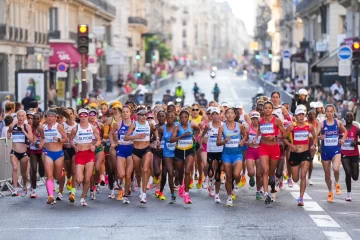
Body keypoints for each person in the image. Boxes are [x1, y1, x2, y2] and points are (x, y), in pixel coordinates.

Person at [124, 107, 160, 204]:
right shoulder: (134, 125)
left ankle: (144, 194)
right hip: (136, 150)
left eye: (145, 115)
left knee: (145, 170)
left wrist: (157, 138)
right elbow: (126, 137)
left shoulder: (149, 123)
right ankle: (140, 187)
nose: (144, 117)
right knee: (138, 172)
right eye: (142, 115)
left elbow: (155, 129)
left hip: (146, 149)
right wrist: (136, 136)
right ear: (137, 116)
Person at [283, 106, 317, 206]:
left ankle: (301, 198)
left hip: (305, 153)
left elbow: (315, 137)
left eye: (302, 114)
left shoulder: (309, 126)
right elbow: (284, 138)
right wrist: (290, 145)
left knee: (303, 175)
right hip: (294, 154)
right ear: (296, 116)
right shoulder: (291, 126)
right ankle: (291, 178)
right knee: (295, 179)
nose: (301, 116)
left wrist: (314, 145)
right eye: (299, 114)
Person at [254, 101, 286, 205]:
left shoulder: (276, 120)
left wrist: (275, 137)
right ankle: (266, 193)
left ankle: (272, 186)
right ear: (263, 109)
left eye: (269, 108)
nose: (267, 109)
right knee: (265, 170)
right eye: (265, 108)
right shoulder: (260, 120)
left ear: (272, 109)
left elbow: (284, 134)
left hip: (274, 148)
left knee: (272, 173)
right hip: (263, 148)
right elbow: (259, 131)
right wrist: (256, 138)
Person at [70, 108, 101, 206]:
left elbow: (99, 140)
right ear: (79, 117)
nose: (83, 117)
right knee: (79, 179)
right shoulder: (75, 128)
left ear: (87, 116)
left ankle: (83, 198)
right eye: (81, 115)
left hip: (89, 154)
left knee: (88, 178)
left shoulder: (92, 128)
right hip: (80, 154)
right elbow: (70, 140)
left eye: (85, 115)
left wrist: (95, 146)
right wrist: (74, 146)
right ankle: (78, 186)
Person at [217, 107, 247, 206]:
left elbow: (245, 135)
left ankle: (236, 182)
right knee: (229, 177)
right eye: (228, 113)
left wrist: (243, 141)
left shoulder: (240, 126)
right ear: (225, 115)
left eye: (232, 113)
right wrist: (224, 141)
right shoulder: (222, 127)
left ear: (235, 115)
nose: (230, 115)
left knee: (236, 174)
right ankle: (229, 196)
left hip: (237, 154)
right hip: (226, 155)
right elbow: (218, 142)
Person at [317, 104, 347, 202]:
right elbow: (315, 135)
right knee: (327, 175)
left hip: (336, 150)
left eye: (331, 111)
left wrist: (343, 139)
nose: (329, 113)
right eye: (328, 111)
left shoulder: (338, 123)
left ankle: (337, 182)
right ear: (325, 112)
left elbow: (345, 132)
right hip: (325, 151)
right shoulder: (321, 124)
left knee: (336, 168)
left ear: (334, 112)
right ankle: (330, 191)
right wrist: (320, 137)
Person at [170, 109, 200, 204]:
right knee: (180, 173)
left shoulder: (191, 125)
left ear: (188, 118)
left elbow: (198, 129)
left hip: (189, 151)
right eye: (182, 117)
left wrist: (194, 136)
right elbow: (172, 140)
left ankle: (187, 194)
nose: (184, 119)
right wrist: (182, 136)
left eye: (186, 117)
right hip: (179, 151)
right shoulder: (177, 128)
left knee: (187, 171)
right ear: (179, 118)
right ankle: (181, 184)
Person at [39, 108, 68, 204]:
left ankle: (62, 173)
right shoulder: (43, 127)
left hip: (58, 153)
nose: (50, 118)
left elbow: (66, 139)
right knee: (49, 175)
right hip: (48, 153)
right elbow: (42, 138)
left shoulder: (59, 126)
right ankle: (50, 196)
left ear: (56, 118)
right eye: (48, 116)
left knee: (57, 176)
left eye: (52, 116)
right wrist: (40, 145)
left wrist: (59, 139)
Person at [109, 106, 134, 204]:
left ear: (130, 113)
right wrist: (112, 143)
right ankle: (120, 182)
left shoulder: (134, 124)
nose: (125, 114)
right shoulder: (118, 124)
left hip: (131, 150)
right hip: (121, 150)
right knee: (121, 174)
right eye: (123, 112)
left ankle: (125, 195)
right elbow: (111, 134)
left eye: (127, 112)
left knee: (128, 175)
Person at [7, 110, 33, 197]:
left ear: (25, 117)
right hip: (14, 151)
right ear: (17, 117)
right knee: (14, 168)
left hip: (24, 153)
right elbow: (9, 131)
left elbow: (31, 139)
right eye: (19, 116)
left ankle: (24, 186)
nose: (21, 118)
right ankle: (15, 189)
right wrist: (9, 135)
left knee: (23, 172)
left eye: (22, 116)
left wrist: (23, 131)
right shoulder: (13, 125)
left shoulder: (27, 126)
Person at [158, 111, 177, 203]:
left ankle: (162, 190)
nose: (170, 119)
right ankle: (172, 195)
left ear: (175, 118)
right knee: (170, 173)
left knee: (175, 173)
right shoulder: (162, 129)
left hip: (177, 152)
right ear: (166, 118)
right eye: (168, 117)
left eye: (172, 117)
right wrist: (157, 142)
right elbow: (158, 138)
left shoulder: (178, 127)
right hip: (167, 154)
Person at [341, 112, 359, 201]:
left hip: (354, 154)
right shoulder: (341, 129)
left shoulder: (357, 129)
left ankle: (352, 170)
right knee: (348, 172)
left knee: (355, 177)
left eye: (350, 116)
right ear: (345, 117)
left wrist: (356, 143)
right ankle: (348, 194)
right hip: (344, 154)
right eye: (347, 116)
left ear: (353, 118)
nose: (348, 118)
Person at [28, 112, 45, 198]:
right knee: (33, 169)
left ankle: (41, 174)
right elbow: (29, 138)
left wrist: (41, 144)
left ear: (40, 119)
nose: (35, 120)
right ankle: (34, 190)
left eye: (37, 119)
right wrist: (32, 142)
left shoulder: (42, 127)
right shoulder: (30, 128)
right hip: (33, 151)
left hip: (41, 151)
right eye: (34, 118)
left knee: (42, 173)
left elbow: (44, 138)